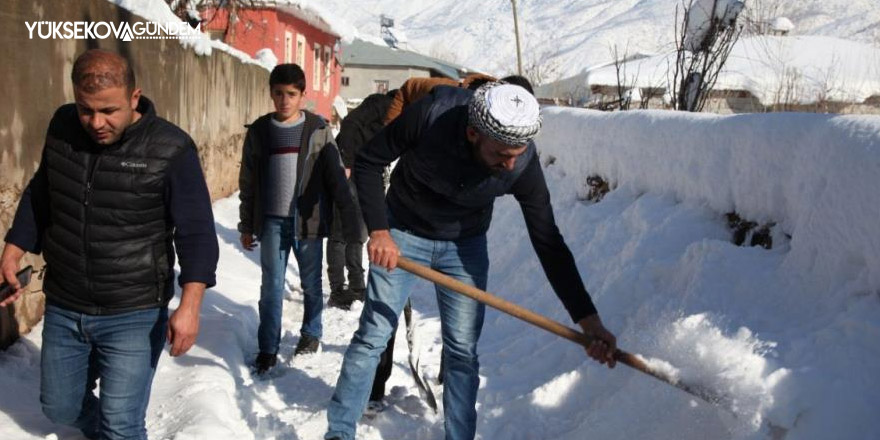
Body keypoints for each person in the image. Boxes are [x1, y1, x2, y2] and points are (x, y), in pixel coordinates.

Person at [325, 81, 617, 440]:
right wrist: (380, 232)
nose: (509, 164)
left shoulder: (521, 163)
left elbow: (548, 242)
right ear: (472, 133)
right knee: (373, 335)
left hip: (464, 244)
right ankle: (338, 433)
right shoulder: (432, 115)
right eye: (500, 154)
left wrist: (588, 321)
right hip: (402, 230)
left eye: (518, 153)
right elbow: (369, 161)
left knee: (462, 353)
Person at [0, 49, 218, 440]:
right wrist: (14, 248)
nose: (97, 123)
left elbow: (197, 231)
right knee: (60, 406)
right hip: (67, 303)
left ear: (134, 97)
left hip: (133, 311)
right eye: (86, 110)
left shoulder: (170, 148)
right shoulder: (63, 126)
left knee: (122, 424)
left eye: (109, 111)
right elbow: (43, 191)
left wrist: (191, 305)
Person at [238, 63, 359, 375]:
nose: (284, 100)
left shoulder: (318, 131)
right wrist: (246, 224)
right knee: (271, 287)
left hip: (308, 221)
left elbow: (335, 176)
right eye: (278, 93)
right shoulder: (260, 131)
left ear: (302, 95)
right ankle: (268, 348)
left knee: (310, 283)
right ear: (270, 94)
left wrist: (348, 218)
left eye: (291, 94)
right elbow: (248, 180)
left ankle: (311, 333)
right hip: (271, 222)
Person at [326, 90, 397, 311]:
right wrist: (345, 163)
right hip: (349, 170)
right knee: (341, 233)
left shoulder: (400, 114)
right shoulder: (381, 103)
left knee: (359, 232)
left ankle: (356, 284)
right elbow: (349, 123)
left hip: (368, 173)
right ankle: (339, 289)